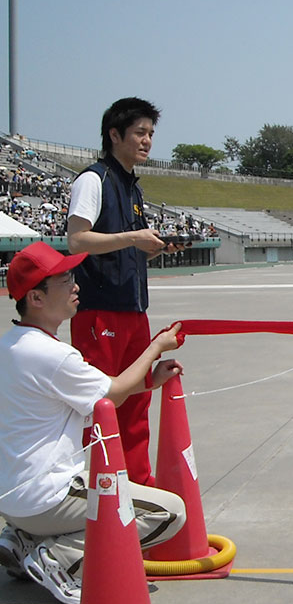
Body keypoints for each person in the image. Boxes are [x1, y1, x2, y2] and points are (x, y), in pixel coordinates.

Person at [0, 241, 186, 604]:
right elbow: (112, 394)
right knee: (169, 514)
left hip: (13, 496)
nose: (76, 285)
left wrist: (148, 381)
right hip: (47, 496)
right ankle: (60, 559)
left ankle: (23, 538)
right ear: (36, 298)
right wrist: (156, 347)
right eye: (65, 279)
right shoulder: (53, 355)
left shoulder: (12, 345)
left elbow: (95, 398)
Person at [66, 97, 181, 486]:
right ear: (114, 135)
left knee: (137, 400)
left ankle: (138, 487)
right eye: (139, 133)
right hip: (99, 311)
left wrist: (156, 247)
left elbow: (124, 251)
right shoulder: (93, 180)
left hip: (134, 310)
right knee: (100, 405)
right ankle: (100, 493)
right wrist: (133, 236)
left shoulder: (133, 190)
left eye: (151, 133)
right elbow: (77, 240)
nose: (147, 141)